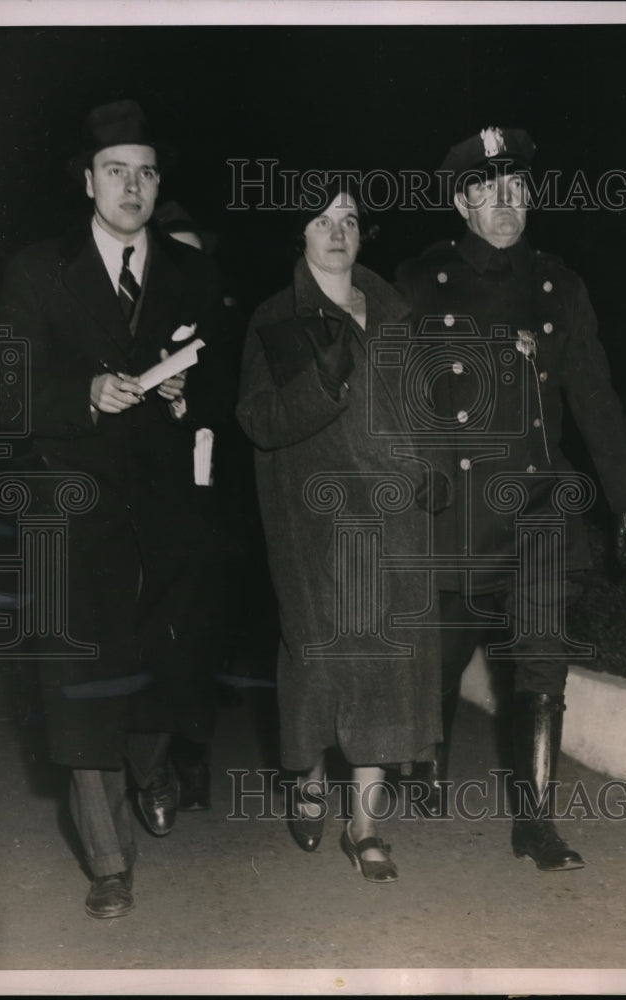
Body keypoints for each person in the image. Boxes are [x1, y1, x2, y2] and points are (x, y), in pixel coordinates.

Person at [0, 100, 234, 916]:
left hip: (167, 509)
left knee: (168, 660)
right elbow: (4, 391)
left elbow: (220, 393)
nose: (131, 187)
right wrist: (84, 394)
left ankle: (152, 760)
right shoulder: (37, 269)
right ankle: (108, 862)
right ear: (87, 182)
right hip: (73, 504)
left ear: (158, 183)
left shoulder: (192, 269)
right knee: (80, 680)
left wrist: (182, 404)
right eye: (115, 171)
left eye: (145, 172)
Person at [396, 127, 626, 870]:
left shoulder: (557, 285)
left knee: (541, 665)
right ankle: (425, 756)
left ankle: (534, 822)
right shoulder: (418, 281)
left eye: (515, 188)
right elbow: (390, 398)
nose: (504, 203)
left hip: (538, 509)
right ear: (459, 201)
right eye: (485, 189)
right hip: (452, 513)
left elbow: (594, 397)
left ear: (530, 196)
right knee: (437, 658)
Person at [236, 181, 441, 884]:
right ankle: (307, 776)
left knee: (384, 664)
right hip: (314, 522)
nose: (336, 231)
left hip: (392, 517)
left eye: (348, 219)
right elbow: (258, 421)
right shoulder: (274, 319)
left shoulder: (393, 309)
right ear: (298, 233)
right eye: (321, 219)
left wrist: (433, 462)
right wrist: (320, 387)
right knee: (320, 661)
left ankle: (366, 825)